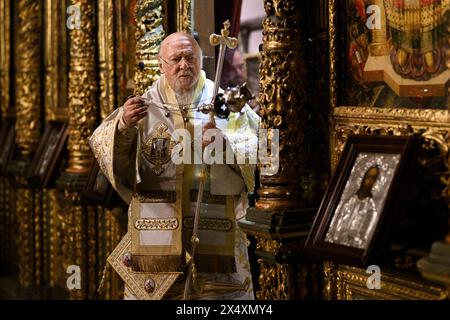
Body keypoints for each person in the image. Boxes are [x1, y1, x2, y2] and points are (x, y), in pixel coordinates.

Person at [89, 32, 259, 300]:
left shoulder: (223, 102)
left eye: (190, 58)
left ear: (200, 60)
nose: (184, 65)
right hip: (157, 229)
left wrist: (224, 143)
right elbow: (102, 145)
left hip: (213, 225)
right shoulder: (144, 105)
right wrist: (123, 126)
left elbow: (256, 144)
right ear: (161, 64)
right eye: (176, 59)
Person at [325, 165, 381, 249]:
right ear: (363, 177)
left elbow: (365, 236)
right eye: (368, 177)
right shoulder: (349, 202)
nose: (369, 181)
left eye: (373, 178)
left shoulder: (371, 208)